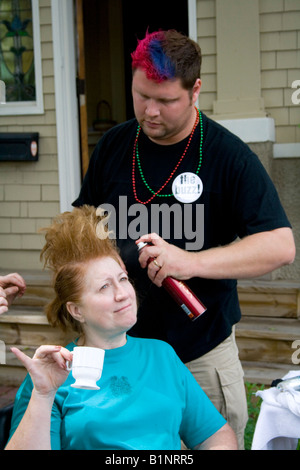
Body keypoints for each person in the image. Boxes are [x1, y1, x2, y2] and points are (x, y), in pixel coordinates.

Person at [72, 30, 296, 449]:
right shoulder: (114, 146)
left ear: (195, 90)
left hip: (199, 356)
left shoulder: (228, 156)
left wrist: (189, 262)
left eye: (166, 101)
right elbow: (84, 225)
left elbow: (280, 245)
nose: (150, 111)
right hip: (122, 353)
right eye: (141, 96)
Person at [6, 206, 237, 450]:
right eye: (104, 287)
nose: (122, 294)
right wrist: (43, 395)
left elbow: (217, 436)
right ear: (77, 310)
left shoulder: (162, 355)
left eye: (123, 279)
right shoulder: (51, 374)